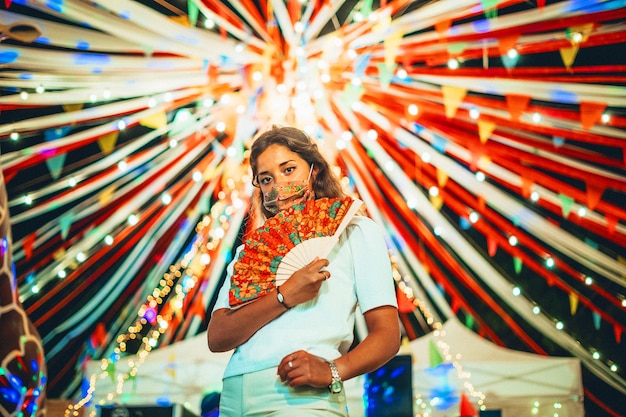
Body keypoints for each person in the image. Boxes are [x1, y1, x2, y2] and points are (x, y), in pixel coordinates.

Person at [207, 125, 400, 416]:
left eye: (289, 169)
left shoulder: (355, 232)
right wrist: (284, 296)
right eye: (266, 179)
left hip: (300, 394)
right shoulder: (252, 250)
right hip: (234, 393)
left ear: (315, 170)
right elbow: (217, 336)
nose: (278, 186)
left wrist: (334, 370)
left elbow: (387, 334)